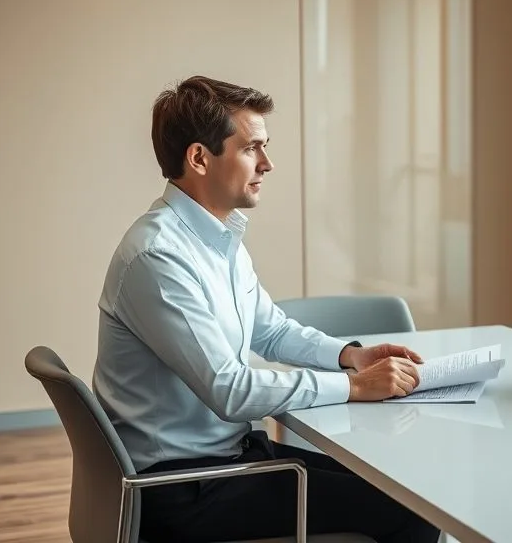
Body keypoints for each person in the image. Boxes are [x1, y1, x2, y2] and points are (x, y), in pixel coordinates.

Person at [92, 75, 440, 542]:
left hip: (228, 461)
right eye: (252, 148)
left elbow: (271, 331)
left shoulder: (217, 238)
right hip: (184, 489)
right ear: (199, 158)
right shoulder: (158, 255)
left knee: (405, 489)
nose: (268, 163)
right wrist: (353, 387)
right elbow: (229, 389)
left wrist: (350, 357)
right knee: (410, 509)